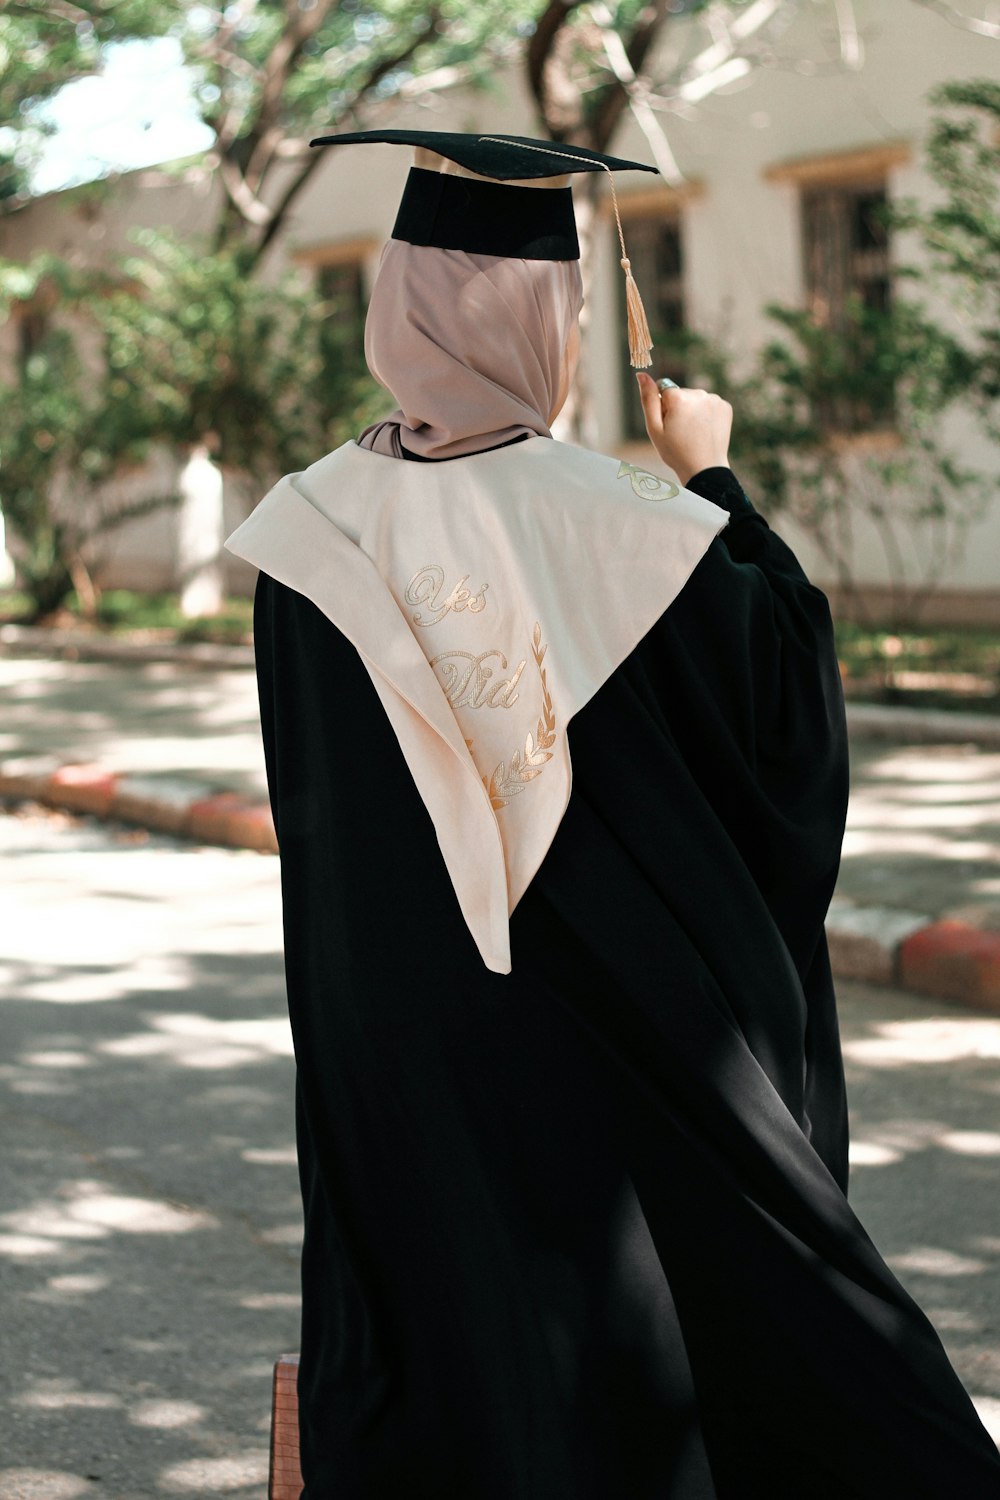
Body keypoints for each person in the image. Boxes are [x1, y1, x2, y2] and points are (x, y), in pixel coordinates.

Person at [227, 132, 1000, 1499]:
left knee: (465, 1361)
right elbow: (780, 733)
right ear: (547, 320)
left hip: (407, 1062)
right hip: (626, 1061)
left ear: (394, 307)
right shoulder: (640, 530)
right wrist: (712, 479)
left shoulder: (303, 540)